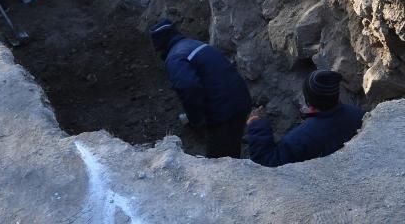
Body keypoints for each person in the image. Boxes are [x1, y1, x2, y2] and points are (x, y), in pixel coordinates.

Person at [149, 20, 252, 159]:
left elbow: (188, 88)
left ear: (159, 46)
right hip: (240, 99)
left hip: (224, 111)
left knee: (219, 162)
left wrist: (196, 119)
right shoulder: (194, 44)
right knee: (232, 147)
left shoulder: (175, 57)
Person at [247, 70, 364, 167]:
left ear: (309, 101)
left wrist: (257, 125)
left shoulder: (300, 139)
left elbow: (266, 162)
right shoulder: (359, 115)